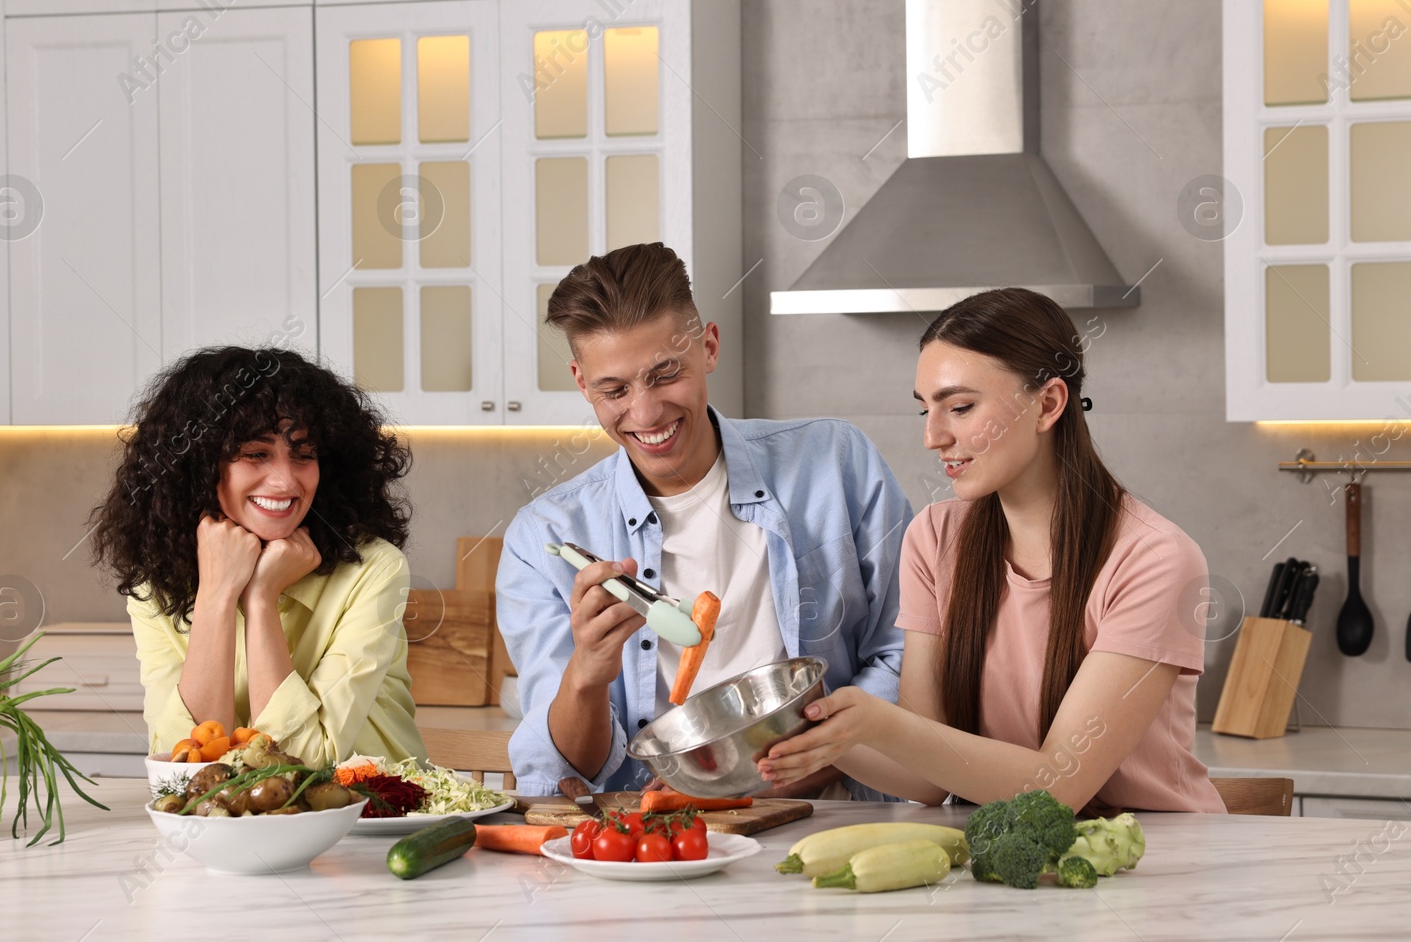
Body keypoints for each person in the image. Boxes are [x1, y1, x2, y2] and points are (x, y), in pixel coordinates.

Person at [760, 288, 1226, 813]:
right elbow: (928, 777)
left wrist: (880, 720)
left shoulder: (1155, 560)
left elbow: (1056, 789)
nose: (933, 437)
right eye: (925, 412)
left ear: (1048, 404)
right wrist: (814, 728)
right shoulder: (935, 538)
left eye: (959, 407)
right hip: (1011, 867)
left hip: (1155, 865)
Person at [496, 244, 912, 798]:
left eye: (665, 375)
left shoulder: (836, 463)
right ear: (582, 382)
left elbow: (906, 654)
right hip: (654, 842)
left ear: (708, 347)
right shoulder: (543, 537)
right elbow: (571, 775)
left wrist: (786, 777)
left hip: (833, 821)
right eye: (614, 390)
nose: (645, 415)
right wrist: (588, 675)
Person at [91, 345, 425, 770]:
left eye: (304, 455)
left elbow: (302, 763)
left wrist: (260, 597)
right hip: (229, 828)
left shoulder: (375, 568)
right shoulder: (155, 580)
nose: (286, 481)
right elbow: (186, 768)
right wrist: (217, 592)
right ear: (197, 465)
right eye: (256, 453)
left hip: (374, 824)